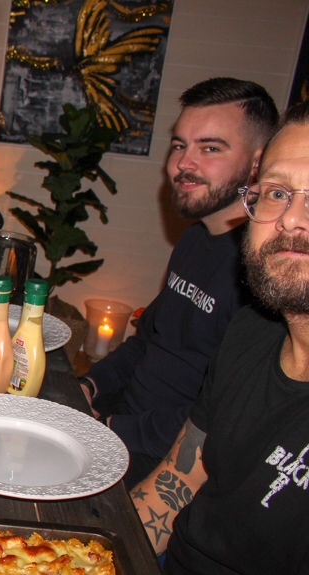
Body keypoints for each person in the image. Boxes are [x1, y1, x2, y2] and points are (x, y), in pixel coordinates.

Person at [130, 101, 309, 575]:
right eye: (277, 192)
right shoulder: (253, 330)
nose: (292, 218)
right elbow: (179, 477)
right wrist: (73, 569)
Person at [79, 78, 278, 486]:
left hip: (168, 465)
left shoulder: (265, 273)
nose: (184, 163)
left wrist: (111, 427)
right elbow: (147, 342)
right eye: (179, 145)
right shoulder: (194, 240)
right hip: (120, 429)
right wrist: (89, 386)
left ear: (258, 164)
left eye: (210, 148)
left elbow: (222, 417)